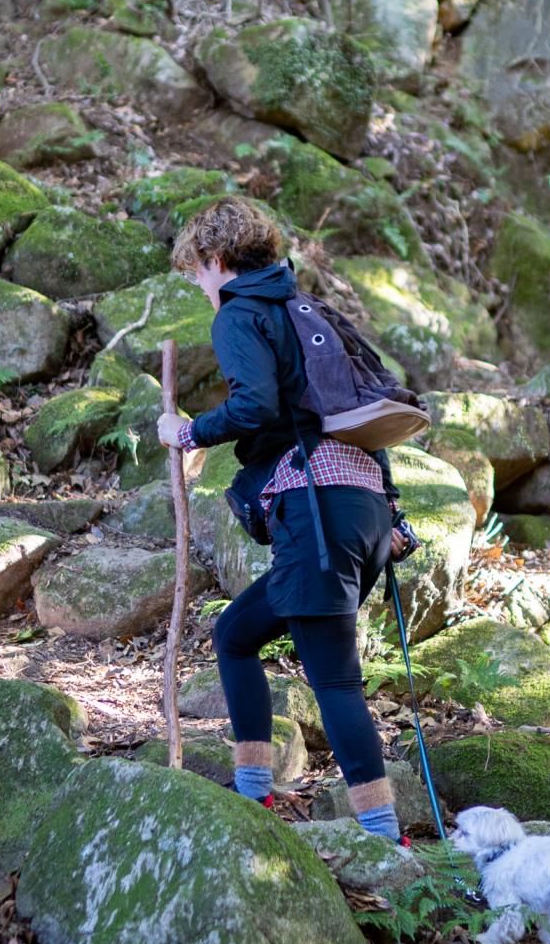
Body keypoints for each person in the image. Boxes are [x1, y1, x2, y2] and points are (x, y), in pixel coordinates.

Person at [155, 198, 415, 845]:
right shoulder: (307, 312)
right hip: (357, 508)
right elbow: (354, 412)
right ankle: (253, 795)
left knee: (332, 677)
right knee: (236, 634)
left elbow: (254, 405)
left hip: (316, 513)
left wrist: (189, 431)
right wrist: (391, 509)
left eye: (197, 273)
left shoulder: (242, 314)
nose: (199, 286)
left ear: (217, 261)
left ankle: (384, 840)